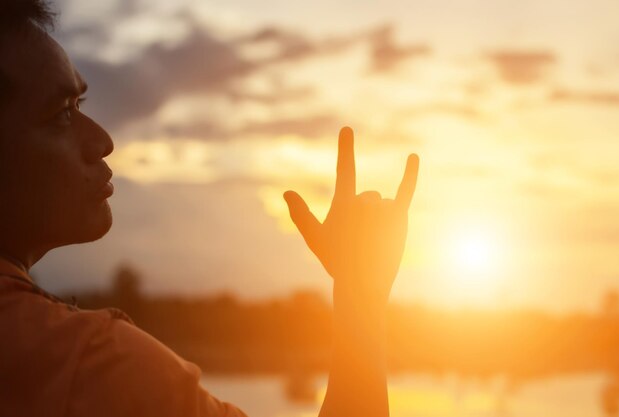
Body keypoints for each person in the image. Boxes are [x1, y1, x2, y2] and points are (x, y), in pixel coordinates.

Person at [0, 1, 419, 416]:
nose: (102, 141)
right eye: (60, 113)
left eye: (82, 106)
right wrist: (360, 294)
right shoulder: (97, 365)